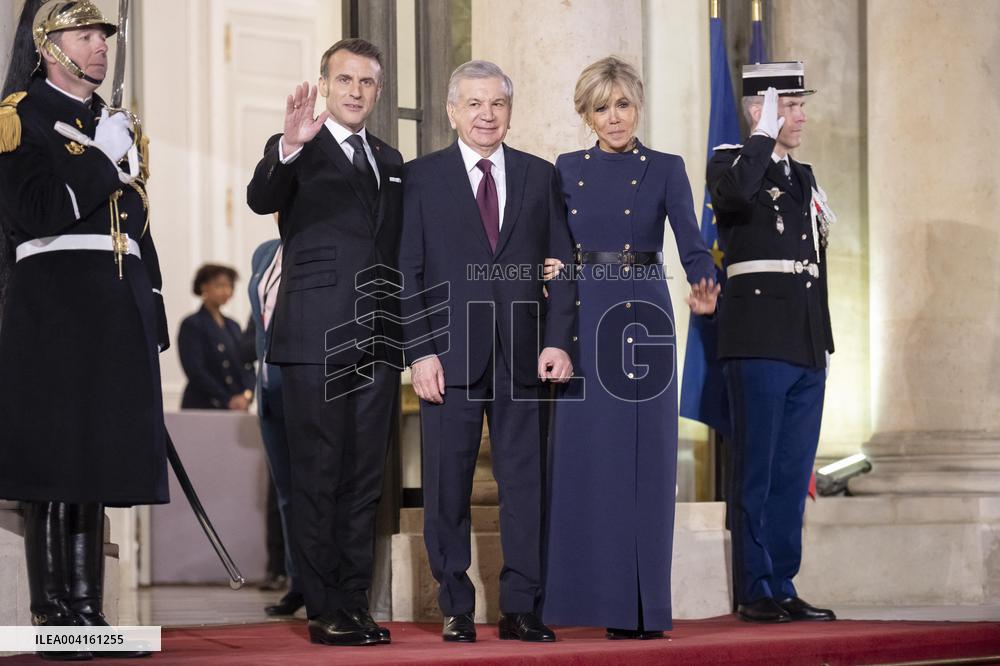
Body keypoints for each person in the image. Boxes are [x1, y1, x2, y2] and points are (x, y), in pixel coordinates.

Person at [0, 0, 167, 659]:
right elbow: (34, 213)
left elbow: (138, 231)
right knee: (56, 467)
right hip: (54, 309)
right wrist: (102, 160)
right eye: (84, 34)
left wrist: (148, 307)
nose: (100, 45)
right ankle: (54, 618)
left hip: (112, 308)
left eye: (103, 34)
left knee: (95, 466)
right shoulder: (21, 117)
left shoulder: (109, 122)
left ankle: (89, 612)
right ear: (48, 44)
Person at [540, 56, 719, 639]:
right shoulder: (564, 170)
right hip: (587, 311)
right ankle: (593, 602)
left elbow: (691, 241)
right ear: (585, 114)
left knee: (647, 460)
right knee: (591, 460)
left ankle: (643, 609)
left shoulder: (666, 167)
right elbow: (558, 259)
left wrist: (703, 281)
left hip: (643, 312)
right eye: (601, 107)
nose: (614, 118)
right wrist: (556, 334)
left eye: (622, 104)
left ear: (637, 105)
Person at [399, 60, 576, 644]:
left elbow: (563, 267)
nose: (485, 114)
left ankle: (521, 607)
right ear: (452, 111)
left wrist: (556, 339)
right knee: (446, 485)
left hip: (524, 356)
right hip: (447, 358)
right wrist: (420, 352)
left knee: (524, 486)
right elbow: (407, 271)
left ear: (509, 110)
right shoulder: (421, 179)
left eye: (496, 103)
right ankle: (455, 604)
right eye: (473, 104)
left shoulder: (539, 175)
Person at [246, 37, 404, 647]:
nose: (357, 92)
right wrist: (287, 147)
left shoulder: (392, 160)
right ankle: (323, 608)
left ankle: (354, 602)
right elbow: (263, 198)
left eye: (367, 83)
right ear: (326, 85)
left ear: (378, 91)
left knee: (364, 479)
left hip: (378, 337)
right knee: (318, 473)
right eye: (346, 81)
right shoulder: (297, 150)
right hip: (314, 337)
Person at [707, 62, 836, 623]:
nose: (800, 114)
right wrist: (761, 134)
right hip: (758, 341)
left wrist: (823, 341)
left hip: (806, 342)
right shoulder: (729, 163)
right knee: (757, 469)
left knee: (791, 470)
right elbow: (734, 198)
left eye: (801, 104)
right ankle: (755, 587)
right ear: (759, 110)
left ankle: (783, 581)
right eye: (789, 105)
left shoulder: (802, 176)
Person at [247, 237, 304, 616]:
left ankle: (321, 582)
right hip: (267, 388)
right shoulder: (265, 253)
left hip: (304, 386)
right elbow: (260, 322)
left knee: (312, 489)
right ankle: (296, 580)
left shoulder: (315, 244)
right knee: (285, 493)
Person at [177, 264, 255, 411]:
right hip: (203, 406)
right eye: (220, 286)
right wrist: (227, 399)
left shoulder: (233, 325)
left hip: (235, 407)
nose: (226, 291)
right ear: (204, 287)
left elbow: (246, 363)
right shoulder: (192, 324)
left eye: (230, 286)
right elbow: (195, 370)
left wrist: (246, 395)